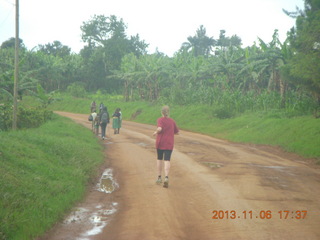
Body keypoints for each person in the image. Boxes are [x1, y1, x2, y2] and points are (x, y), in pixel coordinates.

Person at [153, 106, 179, 188]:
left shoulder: (160, 120)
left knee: (159, 159)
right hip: (169, 143)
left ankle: (159, 177)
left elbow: (160, 128)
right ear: (169, 112)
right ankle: (166, 177)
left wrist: (155, 132)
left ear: (162, 112)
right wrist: (170, 132)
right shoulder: (172, 121)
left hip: (160, 143)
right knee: (167, 160)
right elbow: (177, 132)